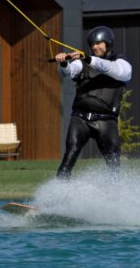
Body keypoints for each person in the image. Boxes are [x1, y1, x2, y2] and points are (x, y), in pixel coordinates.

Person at [54, 25, 132, 179]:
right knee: (70, 153)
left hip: (106, 121)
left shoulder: (122, 63)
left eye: (98, 43)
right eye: (92, 45)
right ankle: (57, 197)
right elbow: (68, 72)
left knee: (113, 163)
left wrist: (89, 59)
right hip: (80, 119)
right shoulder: (81, 63)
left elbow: (114, 70)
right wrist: (63, 64)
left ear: (108, 43)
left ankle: (116, 197)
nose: (95, 47)